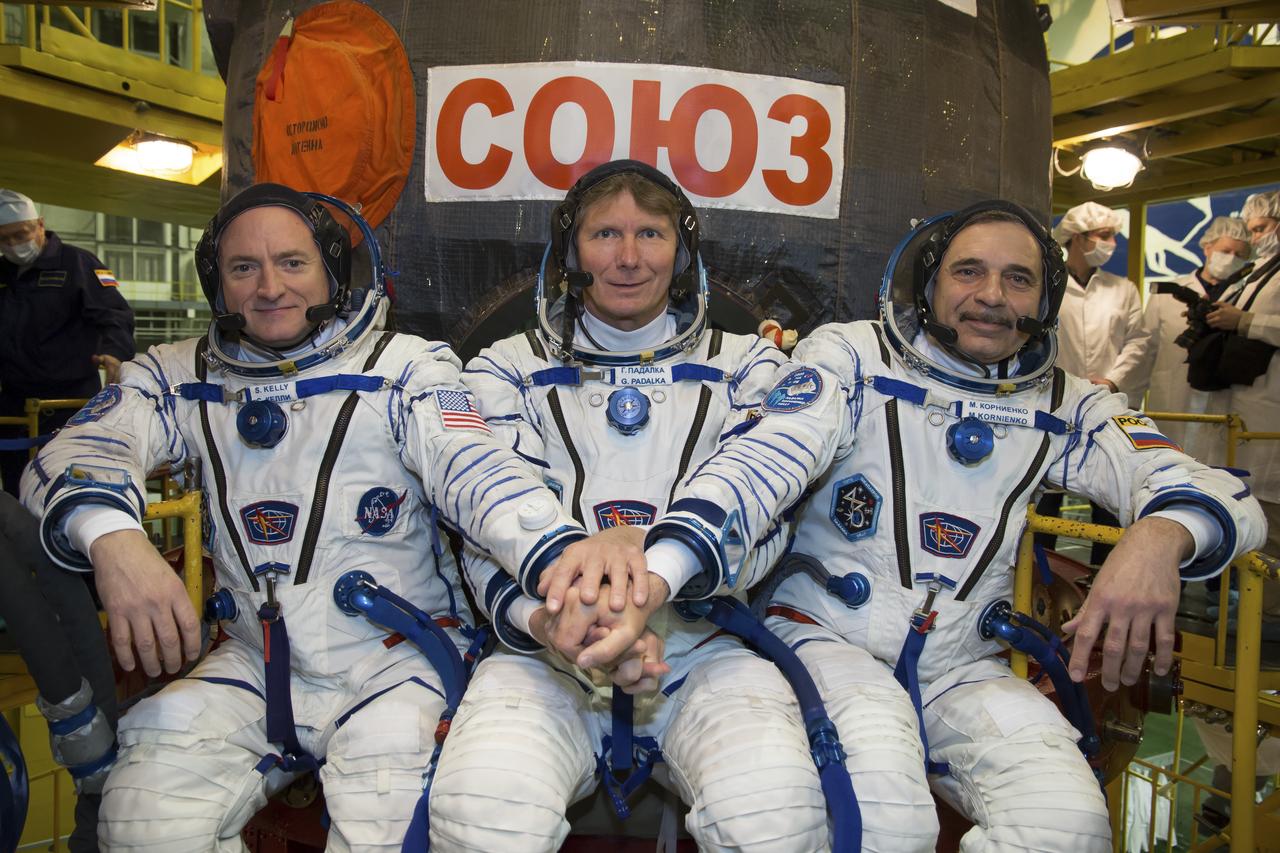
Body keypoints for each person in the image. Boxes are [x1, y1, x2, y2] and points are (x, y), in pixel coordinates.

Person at [636, 201, 1265, 851]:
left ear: (1044, 299)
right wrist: (661, 573)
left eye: (1018, 278)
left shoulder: (1061, 402)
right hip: (828, 638)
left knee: (1068, 823)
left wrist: (1159, 536)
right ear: (930, 284)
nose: (991, 295)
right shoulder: (855, 360)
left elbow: (1222, 493)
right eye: (968, 272)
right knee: (886, 813)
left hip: (963, 663)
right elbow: (763, 462)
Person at [20, 183, 586, 851]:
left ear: (330, 273)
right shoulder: (177, 376)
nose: (268, 287)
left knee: (387, 821)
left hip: (392, 661)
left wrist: (561, 561)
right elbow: (73, 451)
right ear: (216, 281)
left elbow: (474, 470)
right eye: (242, 268)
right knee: (143, 814)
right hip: (255, 662)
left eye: (292, 263)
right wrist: (116, 541)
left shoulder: (404, 369)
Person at [428, 161, 835, 852]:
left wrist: (630, 545)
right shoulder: (503, 369)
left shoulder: (751, 367)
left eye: (650, 233)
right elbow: (480, 530)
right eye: (604, 233)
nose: (627, 257)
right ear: (570, 252)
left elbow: (767, 524)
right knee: (479, 820)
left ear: (681, 251)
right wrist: (551, 619)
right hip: (546, 651)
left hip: (703, 644)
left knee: (777, 820)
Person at [1038, 201, 1156, 561]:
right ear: (1077, 238)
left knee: (1110, 503)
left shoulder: (1123, 289)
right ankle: (1042, 587)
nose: (1111, 243)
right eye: (1104, 235)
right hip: (1054, 403)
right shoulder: (1048, 287)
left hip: (1110, 406)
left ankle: (1101, 585)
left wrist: (1113, 382)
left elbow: (1140, 342)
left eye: (1114, 236)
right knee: (1045, 504)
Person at [0, 189, 136, 498]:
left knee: (66, 490)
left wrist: (114, 354)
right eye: (3, 239)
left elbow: (115, 314)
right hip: (13, 406)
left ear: (39, 225)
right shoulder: (3, 274)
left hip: (69, 404)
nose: (12, 245)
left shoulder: (78, 264)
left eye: (19, 235)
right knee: (15, 492)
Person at [1142, 215, 1252, 460]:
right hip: (1170, 403)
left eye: (1240, 255)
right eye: (1226, 250)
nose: (1231, 258)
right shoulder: (1169, 293)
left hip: (1224, 408)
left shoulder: (1245, 298)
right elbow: (1145, 351)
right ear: (1207, 247)